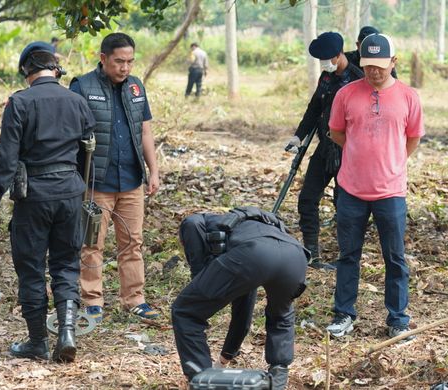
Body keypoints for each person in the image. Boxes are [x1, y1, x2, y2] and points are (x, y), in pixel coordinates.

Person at [0, 41, 95, 362]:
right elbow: (89, 152)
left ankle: (37, 342)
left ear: (26, 70)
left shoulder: (19, 103)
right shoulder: (77, 102)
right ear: (55, 69)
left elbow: (6, 156)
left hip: (34, 197)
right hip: (71, 193)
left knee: (31, 268)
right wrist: (82, 190)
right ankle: (68, 333)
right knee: (66, 265)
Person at [326, 33, 424, 339]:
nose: (374, 72)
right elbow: (337, 133)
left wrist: (391, 161)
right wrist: (360, 157)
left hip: (390, 192)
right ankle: (344, 314)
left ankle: (397, 318)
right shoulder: (346, 94)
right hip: (351, 189)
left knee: (394, 257)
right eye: (368, 66)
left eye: (380, 66)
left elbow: (413, 138)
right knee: (347, 254)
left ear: (393, 62)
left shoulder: (409, 97)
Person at [69, 32, 161, 323]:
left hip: (131, 179)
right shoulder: (82, 86)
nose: (125, 68)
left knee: (133, 242)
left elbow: (145, 131)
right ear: (103, 58)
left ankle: (134, 299)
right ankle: (92, 300)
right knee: (91, 242)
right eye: (119, 61)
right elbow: (70, 134)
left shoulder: (136, 87)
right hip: (96, 182)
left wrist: (153, 171)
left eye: (130, 62)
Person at [172, 207, 309, 389]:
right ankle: (278, 381)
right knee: (280, 316)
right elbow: (242, 313)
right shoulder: (241, 228)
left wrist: (201, 283)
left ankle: (201, 381)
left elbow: (200, 282)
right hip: (296, 255)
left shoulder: (195, 223)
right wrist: (226, 357)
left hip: (254, 254)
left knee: (186, 311)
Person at [283, 31, 364, 269]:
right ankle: (312, 254)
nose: (323, 63)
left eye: (327, 59)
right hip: (324, 148)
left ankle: (346, 257)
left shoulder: (359, 81)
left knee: (344, 205)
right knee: (307, 199)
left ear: (339, 56)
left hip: (348, 152)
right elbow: (314, 109)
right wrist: (298, 136)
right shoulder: (326, 78)